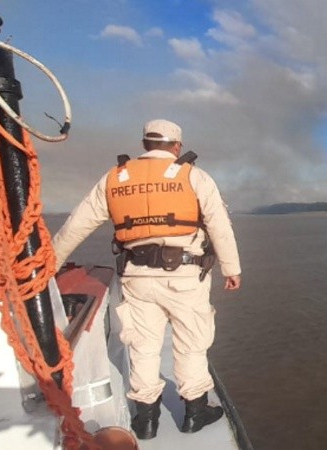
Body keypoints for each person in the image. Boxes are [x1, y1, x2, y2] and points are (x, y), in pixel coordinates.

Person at [51, 119, 241, 440]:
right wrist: (231, 268)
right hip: (185, 275)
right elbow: (218, 225)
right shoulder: (194, 176)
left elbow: (77, 224)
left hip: (136, 276)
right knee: (191, 342)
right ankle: (195, 412)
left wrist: (50, 263)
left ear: (144, 145)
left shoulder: (116, 178)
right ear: (177, 146)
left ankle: (147, 420)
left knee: (143, 345)